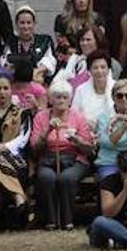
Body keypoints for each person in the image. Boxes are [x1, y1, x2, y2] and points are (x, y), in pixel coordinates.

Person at [29, 78, 94, 229]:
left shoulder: (77, 117)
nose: (61, 101)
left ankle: (68, 220)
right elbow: (35, 147)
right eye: (57, 97)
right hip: (47, 158)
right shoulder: (41, 117)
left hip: (75, 158)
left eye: (65, 97)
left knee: (67, 178)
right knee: (47, 177)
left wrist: (76, 140)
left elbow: (89, 148)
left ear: (70, 100)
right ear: (51, 99)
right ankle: (51, 220)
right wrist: (48, 131)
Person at [0, 73, 32, 230]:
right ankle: (18, 197)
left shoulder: (22, 113)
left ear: (11, 90)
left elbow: (24, 138)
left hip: (15, 159)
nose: (2, 92)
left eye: (5, 88)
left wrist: (6, 146)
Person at [3, 5, 57, 89]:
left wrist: (37, 72)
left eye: (29, 23)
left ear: (34, 23)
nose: (26, 26)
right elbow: (6, 64)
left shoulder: (44, 40)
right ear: (16, 24)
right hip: (15, 85)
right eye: (22, 23)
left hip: (39, 85)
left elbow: (49, 62)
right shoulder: (11, 42)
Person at [52, 0, 104, 68]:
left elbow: (100, 43)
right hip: (67, 61)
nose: (81, 1)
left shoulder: (98, 19)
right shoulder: (61, 20)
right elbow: (63, 46)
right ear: (72, 0)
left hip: (92, 59)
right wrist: (80, 54)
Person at [70, 49, 115, 125]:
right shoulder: (81, 90)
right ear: (89, 70)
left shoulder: (117, 87)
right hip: (86, 131)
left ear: (108, 69)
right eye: (95, 68)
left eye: (103, 67)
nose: (99, 71)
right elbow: (74, 116)